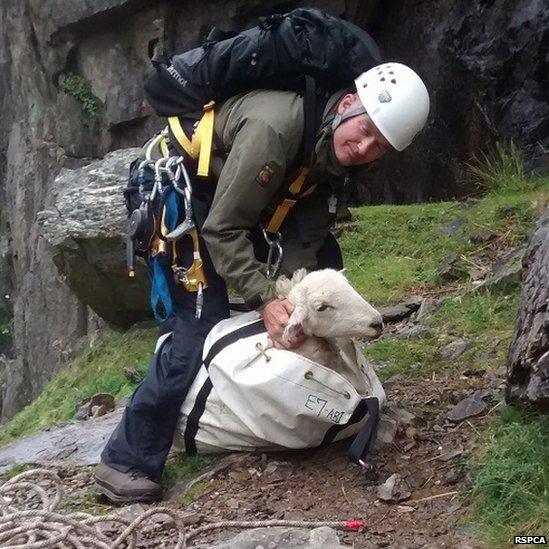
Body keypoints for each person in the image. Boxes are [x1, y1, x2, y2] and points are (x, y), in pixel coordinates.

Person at [94, 62, 430, 503]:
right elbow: (221, 229)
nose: (363, 146)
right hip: (183, 198)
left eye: (378, 146)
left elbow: (307, 236)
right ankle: (125, 460)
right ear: (348, 104)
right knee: (199, 320)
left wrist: (292, 294)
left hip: (231, 196)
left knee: (326, 260)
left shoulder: (330, 152)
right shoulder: (275, 130)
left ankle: (294, 376)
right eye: (364, 129)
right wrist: (264, 298)